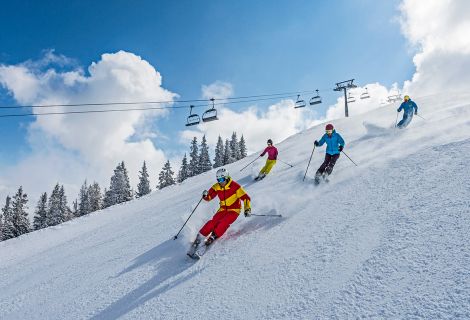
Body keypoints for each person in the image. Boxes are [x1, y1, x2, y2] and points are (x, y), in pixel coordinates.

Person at [188, 168, 251, 256]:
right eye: (218, 180)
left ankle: (213, 236)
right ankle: (199, 237)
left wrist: (247, 208)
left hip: (234, 210)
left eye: (221, 179)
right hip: (222, 209)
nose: (220, 182)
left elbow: (246, 198)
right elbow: (209, 197)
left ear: (226, 178)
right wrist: (205, 195)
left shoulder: (235, 186)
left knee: (224, 222)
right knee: (212, 222)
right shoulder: (216, 186)